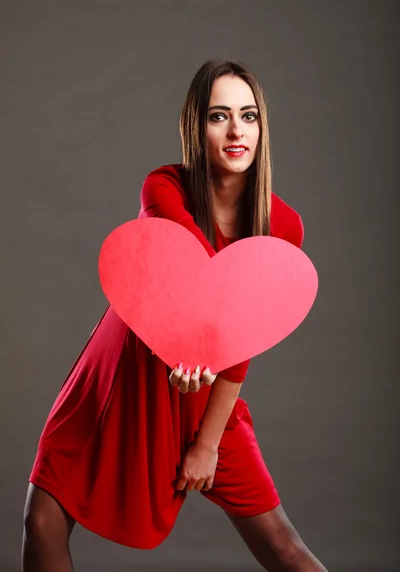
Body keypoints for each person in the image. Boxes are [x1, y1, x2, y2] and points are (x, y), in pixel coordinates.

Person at [22, 59, 327, 572]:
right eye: (219, 116)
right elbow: (191, 273)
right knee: (42, 519)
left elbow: (243, 337)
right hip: (119, 376)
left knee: (283, 547)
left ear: (262, 128)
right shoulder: (163, 186)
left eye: (249, 116)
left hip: (209, 392)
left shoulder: (283, 227)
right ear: (194, 126)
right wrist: (189, 343)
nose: (236, 131)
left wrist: (207, 443)